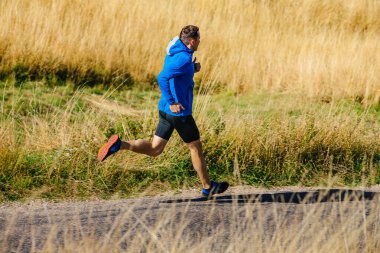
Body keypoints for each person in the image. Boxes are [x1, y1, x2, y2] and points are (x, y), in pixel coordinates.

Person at [97, 25, 228, 197]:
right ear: (192, 42)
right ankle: (208, 187)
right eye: (199, 39)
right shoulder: (182, 58)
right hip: (179, 113)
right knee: (195, 148)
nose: (200, 42)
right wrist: (173, 101)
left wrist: (192, 68)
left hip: (165, 111)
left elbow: (175, 73)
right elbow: (163, 77)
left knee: (155, 149)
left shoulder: (177, 49)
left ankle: (119, 145)